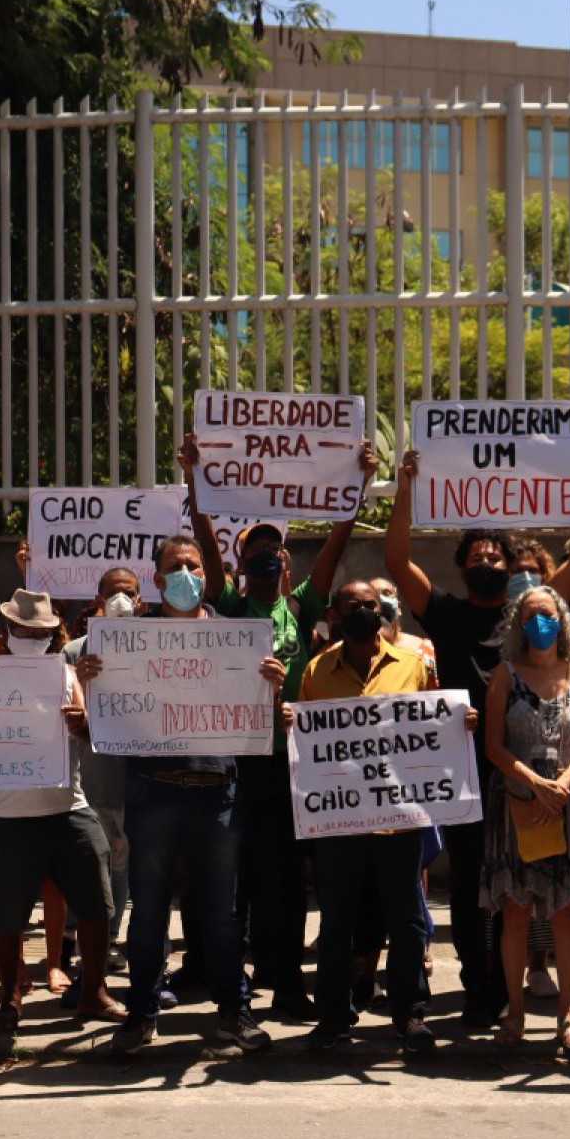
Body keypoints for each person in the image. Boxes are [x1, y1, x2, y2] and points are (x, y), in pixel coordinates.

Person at [387, 448, 570, 1027]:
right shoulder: (445, 611)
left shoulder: (533, 614)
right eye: (477, 554)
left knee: (529, 888)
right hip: (466, 766)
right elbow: (397, 556)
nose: (487, 559)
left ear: (513, 567)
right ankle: (478, 984)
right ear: (462, 566)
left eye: (496, 554)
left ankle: (528, 991)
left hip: (533, 773)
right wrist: (406, 489)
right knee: (471, 883)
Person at [180, 434, 376, 1020]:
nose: (267, 557)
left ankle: (287, 980)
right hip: (237, 759)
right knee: (233, 873)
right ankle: (229, 982)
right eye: (255, 551)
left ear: (287, 562)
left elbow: (337, 544)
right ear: (243, 564)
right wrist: (195, 480)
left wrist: (358, 484)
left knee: (287, 878)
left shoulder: (302, 609)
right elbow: (207, 547)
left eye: (276, 551)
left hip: (290, 760)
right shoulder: (232, 607)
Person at [77, 534, 285, 1055]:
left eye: (193, 565)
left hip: (218, 794)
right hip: (155, 793)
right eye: (176, 566)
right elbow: (98, 717)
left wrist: (271, 690)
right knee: (148, 913)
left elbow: (258, 715)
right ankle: (142, 1015)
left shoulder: (235, 639)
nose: (187, 573)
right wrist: (90, 680)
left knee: (221, 914)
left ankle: (234, 1014)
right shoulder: (129, 640)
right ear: (158, 576)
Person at [290, 580, 445, 1054]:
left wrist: (460, 723)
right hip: (338, 824)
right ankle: (334, 1017)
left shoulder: (415, 667)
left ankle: (411, 1016)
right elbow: (308, 748)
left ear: (384, 611)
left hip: (398, 820)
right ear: (335, 615)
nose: (362, 610)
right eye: (352, 605)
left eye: (370, 605)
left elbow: (431, 728)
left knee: (406, 923)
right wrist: (291, 725)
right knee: (336, 924)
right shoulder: (317, 671)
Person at [0, 589, 127, 1034]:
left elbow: (91, 734)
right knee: (6, 914)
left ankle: (93, 992)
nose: (32, 636)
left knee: (98, 905)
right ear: (7, 631)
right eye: (23, 630)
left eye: (41, 631)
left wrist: (81, 724)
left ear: (53, 634)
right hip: (8, 815)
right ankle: (9, 993)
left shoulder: (68, 676)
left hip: (68, 807)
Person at [480, 583, 570, 1052]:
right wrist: (534, 783)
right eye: (530, 615)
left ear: (562, 620)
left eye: (547, 614)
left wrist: (562, 786)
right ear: (517, 624)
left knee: (565, 913)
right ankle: (516, 1011)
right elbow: (492, 746)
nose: (539, 623)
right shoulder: (505, 675)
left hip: (567, 804)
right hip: (517, 802)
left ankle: (568, 1013)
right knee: (516, 910)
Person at [63, 567, 144, 975]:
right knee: (81, 868)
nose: (121, 601)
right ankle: (71, 941)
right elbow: (57, 709)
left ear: (141, 601)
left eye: (128, 593)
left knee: (120, 864)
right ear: (98, 600)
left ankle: (110, 940)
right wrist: (78, 681)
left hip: (129, 782)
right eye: (113, 593)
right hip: (85, 780)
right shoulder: (75, 652)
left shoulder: (154, 647)